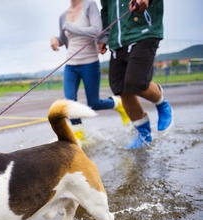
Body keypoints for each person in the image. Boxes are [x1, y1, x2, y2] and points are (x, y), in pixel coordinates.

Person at [50, 0, 130, 145]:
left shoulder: (89, 5)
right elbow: (63, 38)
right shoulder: (63, 16)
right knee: (69, 103)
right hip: (71, 65)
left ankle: (118, 103)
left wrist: (71, 27)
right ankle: (79, 136)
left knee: (94, 103)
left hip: (90, 63)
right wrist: (55, 40)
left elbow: (96, 30)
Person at [99, 0, 173, 149]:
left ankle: (162, 103)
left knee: (136, 83)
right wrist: (104, 37)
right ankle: (144, 135)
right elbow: (106, 11)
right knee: (120, 88)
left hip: (143, 33)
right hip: (117, 41)